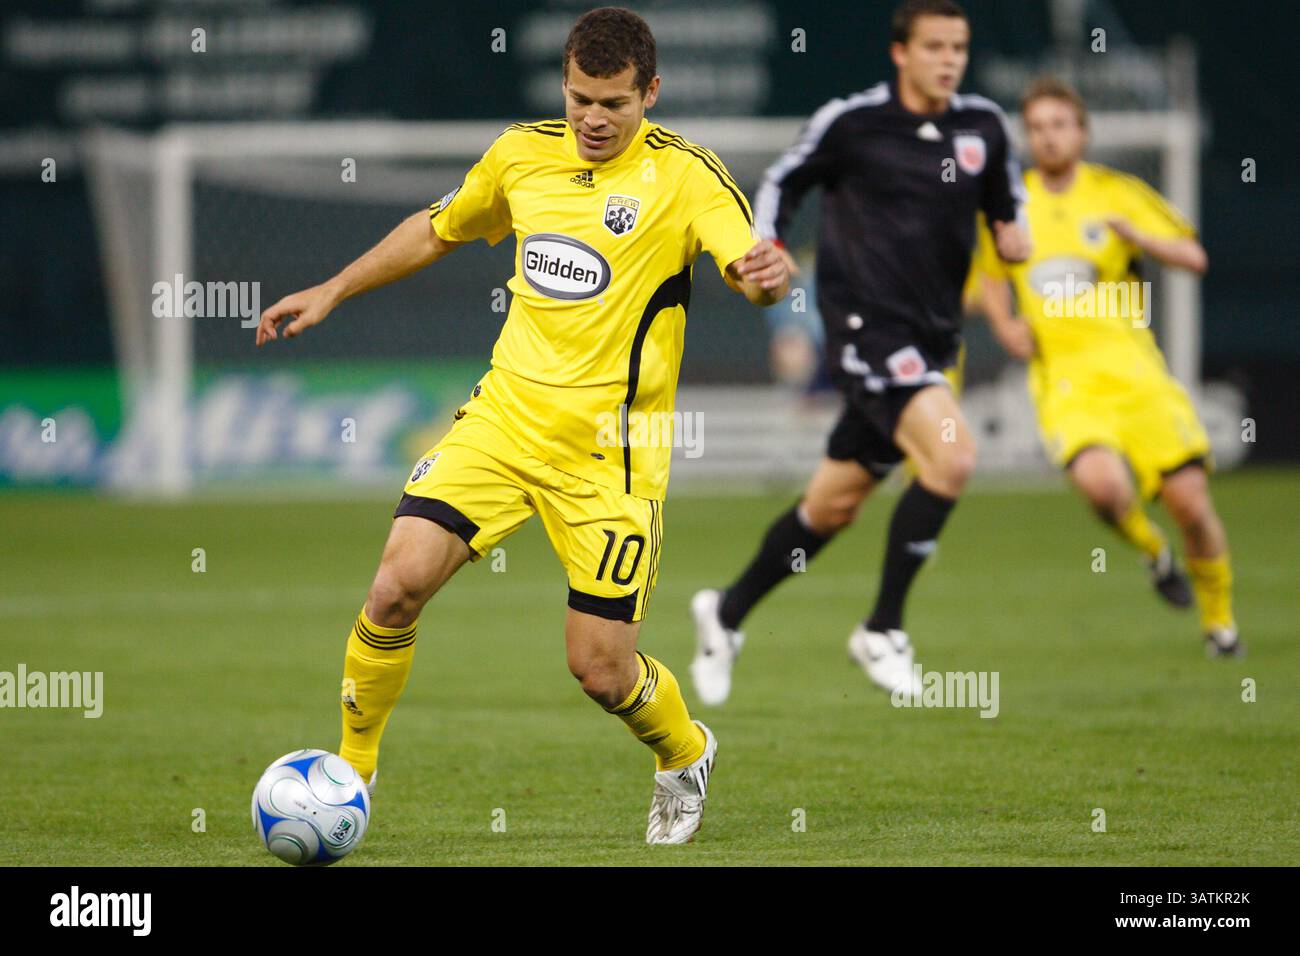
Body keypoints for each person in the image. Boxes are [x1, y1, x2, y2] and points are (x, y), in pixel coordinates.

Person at [254, 7, 789, 845]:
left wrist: (769, 280)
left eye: (614, 103)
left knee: (601, 671)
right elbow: (438, 229)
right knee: (394, 586)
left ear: (652, 93)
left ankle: (684, 753)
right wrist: (333, 288)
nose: (593, 119)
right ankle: (353, 769)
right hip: (502, 424)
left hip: (611, 461)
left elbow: (747, 272)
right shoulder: (521, 155)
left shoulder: (688, 178)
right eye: (580, 98)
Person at [690, 0, 1029, 705]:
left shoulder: (983, 126)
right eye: (934, 46)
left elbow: (1005, 201)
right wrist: (769, 245)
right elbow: (785, 179)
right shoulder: (853, 122)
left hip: (934, 337)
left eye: (959, 47)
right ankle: (882, 631)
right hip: (864, 329)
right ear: (900, 52)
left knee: (831, 508)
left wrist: (1010, 230)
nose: (949, 59)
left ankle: (724, 614)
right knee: (954, 454)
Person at [977, 76, 1239, 656]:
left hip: (1136, 371)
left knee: (1192, 504)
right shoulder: (1009, 203)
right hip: (1066, 378)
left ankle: (1219, 624)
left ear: (1082, 132)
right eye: (1037, 128)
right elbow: (990, 275)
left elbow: (1193, 256)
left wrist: (1139, 235)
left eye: (1059, 125)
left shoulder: (1118, 193)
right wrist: (1003, 323)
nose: (1048, 137)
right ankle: (1154, 552)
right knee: (1100, 488)